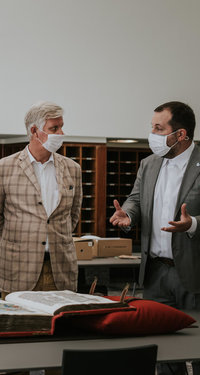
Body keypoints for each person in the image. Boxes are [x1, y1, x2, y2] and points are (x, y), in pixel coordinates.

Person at [110, 101, 200, 375]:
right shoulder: (148, 164)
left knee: (197, 349)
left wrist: (193, 224)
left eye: (159, 128)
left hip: (193, 272)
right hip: (155, 273)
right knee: (163, 350)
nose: (152, 133)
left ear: (181, 134)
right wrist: (128, 214)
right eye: (152, 127)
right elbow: (136, 198)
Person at [0, 101, 82, 298]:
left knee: (60, 326)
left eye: (61, 126)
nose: (61, 133)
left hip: (60, 268)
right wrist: (15, 242)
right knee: (18, 326)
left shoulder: (73, 169)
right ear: (34, 131)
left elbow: (73, 214)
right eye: (54, 128)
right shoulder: (4, 168)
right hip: (18, 268)